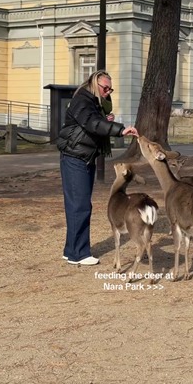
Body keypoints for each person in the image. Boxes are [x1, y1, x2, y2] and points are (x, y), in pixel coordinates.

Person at [57, 70, 138, 266]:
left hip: (83, 157)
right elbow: (92, 124)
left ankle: (71, 250)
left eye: (110, 88)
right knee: (80, 205)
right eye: (105, 87)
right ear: (94, 83)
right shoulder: (82, 100)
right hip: (75, 158)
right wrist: (120, 129)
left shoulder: (92, 101)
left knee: (78, 205)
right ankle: (79, 254)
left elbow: (94, 122)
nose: (108, 92)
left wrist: (104, 120)